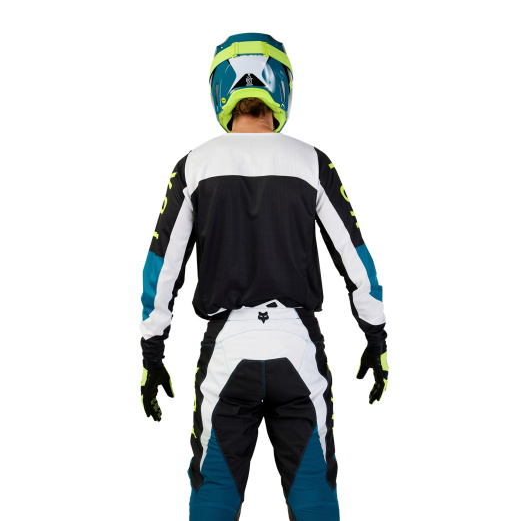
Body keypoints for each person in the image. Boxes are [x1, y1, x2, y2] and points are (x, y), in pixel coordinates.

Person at [139, 32, 389, 521]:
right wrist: (375, 336)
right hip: (298, 345)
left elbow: (161, 270)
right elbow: (356, 258)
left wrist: (152, 352)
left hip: (227, 348)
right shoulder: (312, 162)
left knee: (214, 494)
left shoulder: (194, 166)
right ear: (282, 87)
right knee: (314, 495)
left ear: (220, 88)